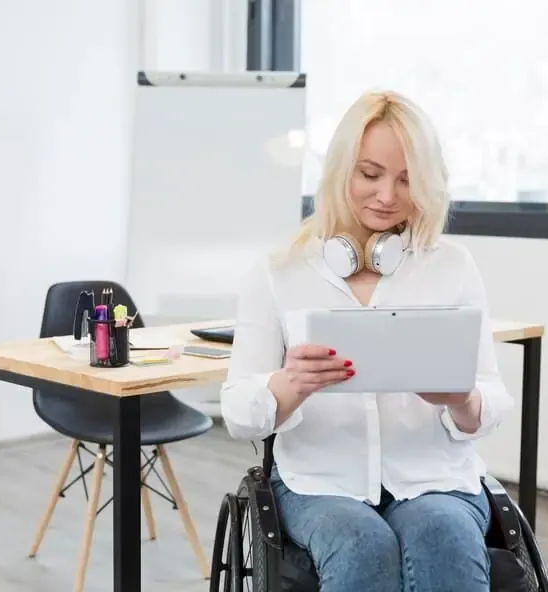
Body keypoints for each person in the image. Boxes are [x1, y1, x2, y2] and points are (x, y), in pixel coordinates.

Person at [219, 89, 514, 592]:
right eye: (371, 174)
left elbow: (494, 400)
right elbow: (237, 412)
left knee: (444, 535)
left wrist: (461, 398)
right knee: (362, 545)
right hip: (320, 482)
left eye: (406, 180)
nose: (387, 196)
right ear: (340, 172)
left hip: (434, 478)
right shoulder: (279, 272)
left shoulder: (451, 266)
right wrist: (287, 385)